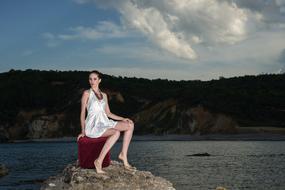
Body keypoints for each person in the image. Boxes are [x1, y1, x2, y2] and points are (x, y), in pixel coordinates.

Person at [77, 70, 135, 174]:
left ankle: (123, 155)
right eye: (90, 79)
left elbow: (108, 113)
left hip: (104, 121)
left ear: (99, 80)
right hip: (93, 125)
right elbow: (82, 113)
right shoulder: (87, 93)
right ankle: (98, 161)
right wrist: (83, 131)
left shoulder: (104, 95)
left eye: (94, 79)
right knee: (116, 132)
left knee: (130, 125)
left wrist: (122, 118)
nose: (92, 81)